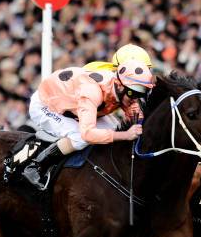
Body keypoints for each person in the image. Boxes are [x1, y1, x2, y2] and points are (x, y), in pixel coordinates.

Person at [23, 51, 154, 190]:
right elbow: (88, 134)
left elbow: (136, 115)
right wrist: (125, 135)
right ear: (119, 85)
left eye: (141, 94)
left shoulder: (125, 88)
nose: (135, 98)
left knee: (116, 128)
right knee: (80, 138)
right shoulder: (92, 92)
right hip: (46, 105)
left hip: (75, 106)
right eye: (133, 93)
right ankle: (35, 165)